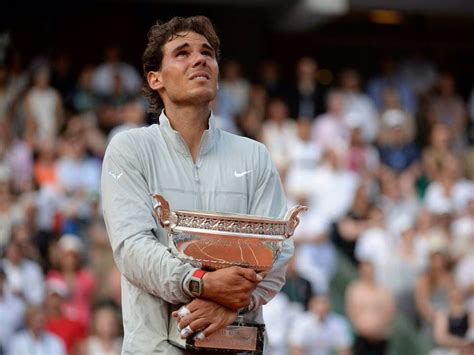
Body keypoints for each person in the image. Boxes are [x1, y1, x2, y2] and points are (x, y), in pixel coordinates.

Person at [101, 16, 293, 353]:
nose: (199, 58)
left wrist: (231, 301)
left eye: (207, 52)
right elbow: (132, 249)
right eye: (182, 53)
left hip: (241, 345)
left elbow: (279, 251)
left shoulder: (255, 156)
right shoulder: (128, 149)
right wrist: (203, 284)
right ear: (155, 78)